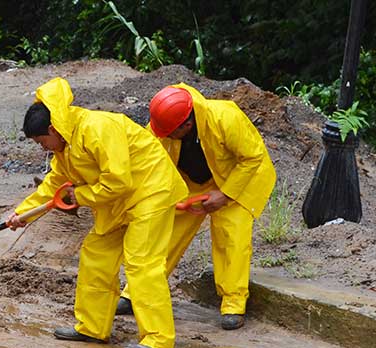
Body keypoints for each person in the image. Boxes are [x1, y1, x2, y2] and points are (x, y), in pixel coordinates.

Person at [8, 77, 188, 348]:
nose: (42, 147)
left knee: (141, 261)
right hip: (118, 201)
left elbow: (119, 180)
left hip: (151, 190)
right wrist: (22, 214)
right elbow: (54, 184)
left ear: (53, 129)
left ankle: (158, 339)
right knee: (96, 254)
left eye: (42, 141)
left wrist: (82, 196)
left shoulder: (97, 128)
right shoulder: (64, 147)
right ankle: (92, 327)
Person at [116, 84, 276, 330]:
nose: (164, 137)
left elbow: (252, 157)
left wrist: (224, 195)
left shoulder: (225, 117)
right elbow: (146, 161)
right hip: (190, 181)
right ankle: (135, 291)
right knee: (164, 232)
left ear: (186, 125)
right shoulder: (163, 128)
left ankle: (233, 303)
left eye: (170, 133)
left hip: (238, 178)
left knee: (231, 236)